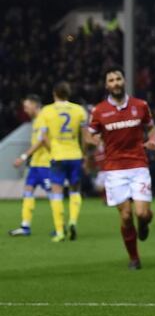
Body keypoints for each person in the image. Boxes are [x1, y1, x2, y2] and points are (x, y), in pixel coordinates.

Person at [85, 67, 155, 269]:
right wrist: (96, 143)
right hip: (114, 169)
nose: (115, 83)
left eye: (118, 79)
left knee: (142, 214)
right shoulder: (99, 110)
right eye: (111, 80)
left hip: (138, 166)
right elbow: (88, 134)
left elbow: (151, 127)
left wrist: (152, 140)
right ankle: (134, 258)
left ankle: (144, 224)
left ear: (124, 81)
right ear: (106, 85)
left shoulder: (140, 105)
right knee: (126, 216)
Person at [25, 82, 88, 242]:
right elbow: (86, 137)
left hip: (57, 156)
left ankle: (60, 231)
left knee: (57, 193)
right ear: (68, 93)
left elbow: (42, 137)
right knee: (75, 190)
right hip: (75, 154)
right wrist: (84, 153)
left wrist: (52, 150)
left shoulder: (47, 111)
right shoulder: (79, 110)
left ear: (54, 94)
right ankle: (73, 221)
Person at [9, 94, 53, 237]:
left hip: (45, 164)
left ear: (35, 105)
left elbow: (40, 141)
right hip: (35, 164)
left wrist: (23, 157)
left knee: (53, 196)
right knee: (27, 192)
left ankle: (60, 226)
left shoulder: (43, 118)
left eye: (27, 107)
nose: (25, 110)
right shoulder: (36, 120)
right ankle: (25, 226)